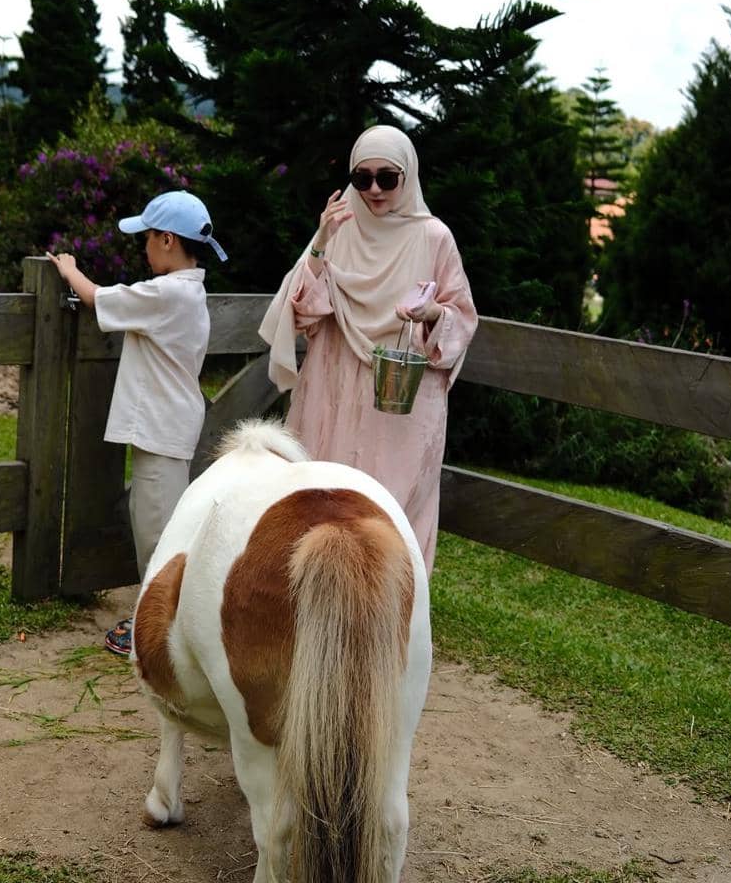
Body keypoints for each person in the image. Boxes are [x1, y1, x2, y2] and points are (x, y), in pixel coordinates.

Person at [259, 125, 477, 575]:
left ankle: (391, 605)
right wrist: (320, 242)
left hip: (400, 403)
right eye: (363, 178)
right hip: (334, 387)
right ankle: (310, 598)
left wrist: (433, 313)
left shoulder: (434, 237)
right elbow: (300, 312)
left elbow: (462, 319)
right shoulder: (339, 228)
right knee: (320, 500)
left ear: (408, 176)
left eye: (387, 178)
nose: (374, 189)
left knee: (390, 513)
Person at [47, 190, 227, 655]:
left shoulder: (169, 293)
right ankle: (162, 622)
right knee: (157, 524)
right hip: (165, 427)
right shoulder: (185, 292)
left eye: (147, 237)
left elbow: (96, 297)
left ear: (168, 240)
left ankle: (161, 632)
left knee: (159, 534)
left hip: (163, 430)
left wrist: (68, 269)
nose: (144, 246)